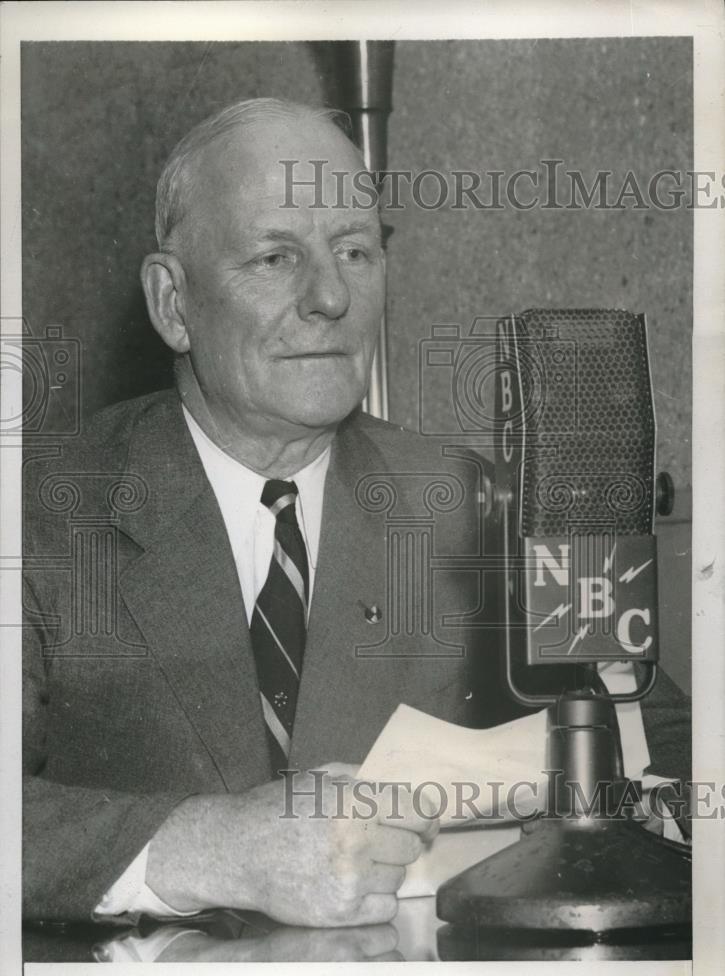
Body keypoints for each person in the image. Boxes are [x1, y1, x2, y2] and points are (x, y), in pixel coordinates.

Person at [22, 98, 690, 929]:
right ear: (173, 301)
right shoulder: (38, 513)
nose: (331, 297)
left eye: (355, 251)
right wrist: (204, 847)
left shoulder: (475, 505)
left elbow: (669, 750)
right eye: (274, 258)